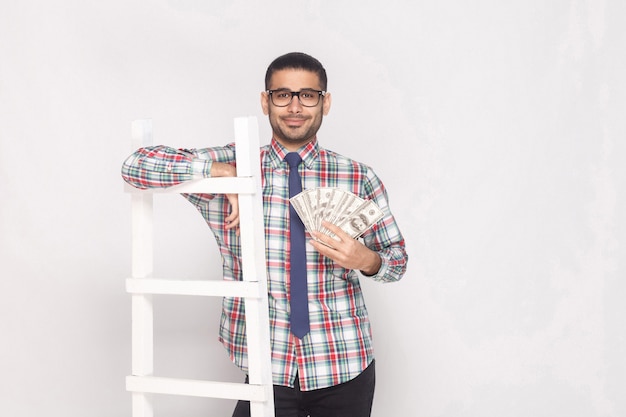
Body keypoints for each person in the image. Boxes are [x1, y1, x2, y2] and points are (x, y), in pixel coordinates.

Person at [121, 52, 408, 417]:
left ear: (325, 102)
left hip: (344, 362)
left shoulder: (357, 176)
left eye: (307, 95)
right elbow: (135, 166)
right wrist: (221, 172)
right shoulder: (235, 166)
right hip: (265, 369)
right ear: (265, 100)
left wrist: (365, 260)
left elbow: (397, 260)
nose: (295, 106)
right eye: (282, 94)